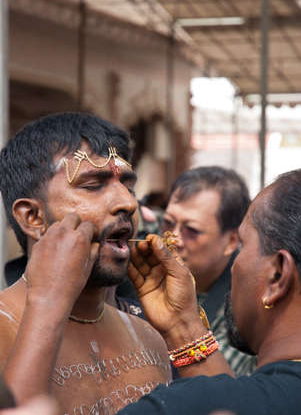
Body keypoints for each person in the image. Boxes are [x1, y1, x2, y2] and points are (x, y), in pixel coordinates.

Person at [0, 112, 171, 414]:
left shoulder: (148, 336)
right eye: (93, 186)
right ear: (33, 217)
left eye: (128, 186)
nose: (128, 203)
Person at [117, 168, 301, 414]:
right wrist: (182, 326)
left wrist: (50, 297)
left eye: (245, 245)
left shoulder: (187, 405)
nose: (175, 238)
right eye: (169, 224)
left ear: (277, 276)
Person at [161, 166, 256, 375]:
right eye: (168, 223)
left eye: (191, 230)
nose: (173, 239)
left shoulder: (246, 307)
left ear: (231, 241)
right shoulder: (146, 276)